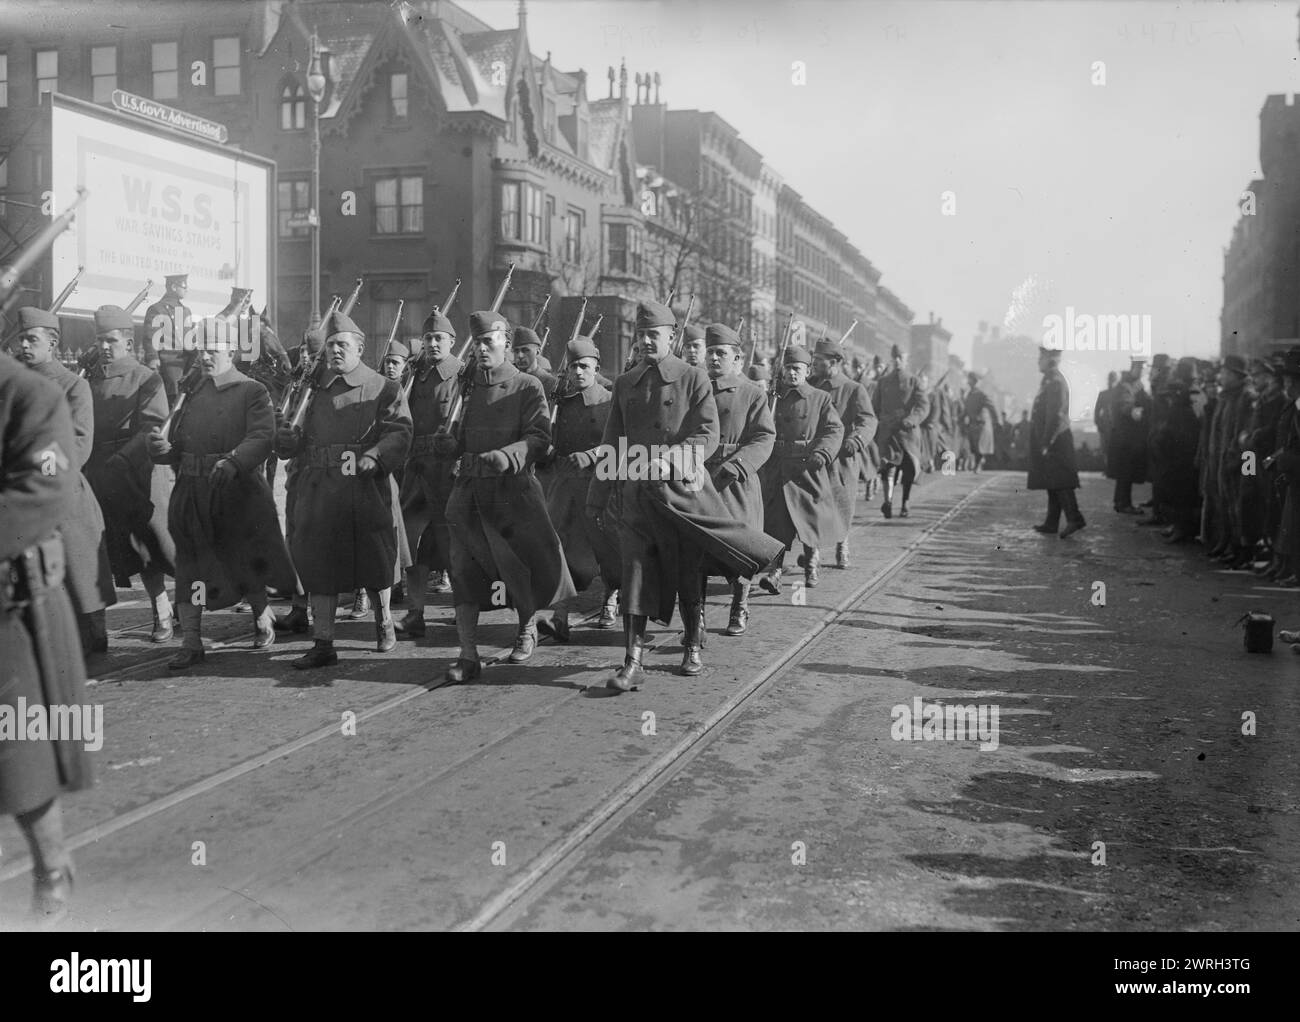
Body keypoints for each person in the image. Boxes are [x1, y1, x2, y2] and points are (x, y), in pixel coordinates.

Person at [588, 300, 783, 690]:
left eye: (653, 335)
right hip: (636, 493)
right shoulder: (627, 383)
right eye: (640, 335)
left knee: (687, 570)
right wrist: (598, 495)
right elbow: (613, 441)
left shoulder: (693, 378)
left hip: (682, 493)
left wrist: (675, 460)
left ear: (672, 337)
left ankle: (692, 643)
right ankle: (633, 660)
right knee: (636, 573)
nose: (645, 341)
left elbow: (707, 432)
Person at [0, 349, 92, 921]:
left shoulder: (30, 395)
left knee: (18, 754)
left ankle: (51, 869)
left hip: (11, 603)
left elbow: (46, 484)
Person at [145, 319, 296, 668]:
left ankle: (261, 616)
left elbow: (261, 437)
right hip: (193, 492)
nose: (205, 357)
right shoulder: (192, 393)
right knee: (192, 568)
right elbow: (178, 445)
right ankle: (193, 642)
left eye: (213, 350)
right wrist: (162, 450)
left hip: (235, 490)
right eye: (202, 350)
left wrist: (233, 461)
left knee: (244, 562)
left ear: (231, 352)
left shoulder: (251, 390)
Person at [436, 311, 575, 680]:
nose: (481, 349)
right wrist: (448, 444)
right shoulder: (466, 388)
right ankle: (467, 654)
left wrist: (508, 455)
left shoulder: (528, 386)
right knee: (464, 570)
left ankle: (526, 628)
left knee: (518, 567)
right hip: (468, 494)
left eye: (488, 342)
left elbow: (541, 438)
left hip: (512, 492)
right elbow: (458, 438)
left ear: (506, 345)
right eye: (477, 343)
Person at [274, 309, 412, 667]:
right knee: (319, 562)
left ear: (360, 348)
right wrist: (286, 439)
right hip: (318, 488)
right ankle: (323, 643)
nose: (335, 351)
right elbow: (293, 438)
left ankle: (383, 622)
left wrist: (377, 456)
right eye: (331, 345)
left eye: (342, 345)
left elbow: (400, 432)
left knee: (374, 557)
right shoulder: (311, 389)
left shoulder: (385, 387)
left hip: (363, 486)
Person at [13, 307, 116, 659]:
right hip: (18, 498)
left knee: (80, 570)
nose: (24, 346)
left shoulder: (74, 386)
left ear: (53, 343)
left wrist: (34, 470)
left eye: (32, 339)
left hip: (62, 495)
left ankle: (93, 635)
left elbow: (78, 443)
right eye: (21, 339)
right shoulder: (11, 388)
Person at [83, 304, 176, 642]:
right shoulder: (90, 379)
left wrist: (124, 459)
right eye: (100, 341)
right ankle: (160, 611)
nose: (104, 347)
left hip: (139, 471)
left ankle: (174, 608)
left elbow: (153, 426)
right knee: (126, 548)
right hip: (101, 471)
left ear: (127, 341)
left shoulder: (145, 377)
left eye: (111, 341)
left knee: (156, 543)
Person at [537, 336, 621, 642]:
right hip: (565, 489)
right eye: (573, 367)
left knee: (607, 551)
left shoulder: (611, 401)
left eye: (585, 366)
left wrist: (591, 455)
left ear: (596, 367)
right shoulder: (563, 405)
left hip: (600, 488)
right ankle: (559, 616)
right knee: (559, 550)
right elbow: (554, 446)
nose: (579, 372)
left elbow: (621, 446)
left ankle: (610, 597)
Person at [701, 323, 775, 635]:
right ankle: (698, 615)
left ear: (737, 358)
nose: (714, 359)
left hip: (735, 482)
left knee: (740, 548)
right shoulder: (696, 387)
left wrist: (737, 465)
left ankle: (740, 605)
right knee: (698, 548)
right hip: (700, 478)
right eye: (710, 353)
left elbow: (763, 437)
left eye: (721, 353)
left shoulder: (751, 393)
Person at [757, 344, 844, 593]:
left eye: (797, 369)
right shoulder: (773, 397)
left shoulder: (820, 398)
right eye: (787, 369)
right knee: (777, 524)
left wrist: (823, 452)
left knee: (808, 521)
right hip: (778, 467)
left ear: (807, 371)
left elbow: (834, 429)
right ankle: (774, 572)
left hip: (808, 468)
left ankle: (811, 565)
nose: (792, 374)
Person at [395, 311, 461, 638]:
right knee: (412, 543)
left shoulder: (462, 374)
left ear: (452, 342)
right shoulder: (415, 375)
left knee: (452, 545)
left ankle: (464, 612)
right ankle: (415, 613)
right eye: (429, 339)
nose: (433, 343)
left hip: (447, 473)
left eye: (439, 339)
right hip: (416, 470)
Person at [810, 335, 877, 568]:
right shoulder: (810, 385)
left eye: (819, 359)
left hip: (842, 459)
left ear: (834, 362)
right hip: (815, 456)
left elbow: (868, 420)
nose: (814, 363)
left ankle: (842, 543)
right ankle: (814, 552)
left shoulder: (853, 389)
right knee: (814, 503)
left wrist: (855, 440)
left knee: (842, 504)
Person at [1029, 346, 1085, 537]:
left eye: (1041, 358)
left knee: (1061, 481)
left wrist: (1046, 441)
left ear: (1050, 360)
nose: (1038, 361)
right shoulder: (1050, 380)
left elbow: (1055, 414)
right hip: (1054, 438)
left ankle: (1075, 518)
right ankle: (1051, 522)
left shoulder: (1055, 381)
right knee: (1053, 480)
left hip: (1056, 439)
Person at [873, 344, 928, 518]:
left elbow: (923, 406)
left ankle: (905, 501)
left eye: (900, 358)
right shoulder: (883, 382)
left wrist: (912, 420)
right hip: (888, 432)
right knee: (887, 466)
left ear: (905, 360)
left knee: (908, 469)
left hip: (907, 433)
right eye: (894, 358)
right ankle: (887, 502)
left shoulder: (914, 381)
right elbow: (874, 406)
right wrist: (879, 423)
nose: (896, 361)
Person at [142, 273, 194, 407]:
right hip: (168, 361)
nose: (186, 289)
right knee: (173, 398)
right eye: (184, 286)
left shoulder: (186, 311)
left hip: (187, 361)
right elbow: (150, 337)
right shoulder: (157, 309)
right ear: (173, 287)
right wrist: (153, 358)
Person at [1108, 359, 1151, 513]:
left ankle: (1120, 502)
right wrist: (1139, 412)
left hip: (1124, 436)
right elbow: (1127, 408)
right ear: (1133, 368)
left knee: (1124, 472)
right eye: (1139, 368)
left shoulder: (1127, 385)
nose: (1141, 372)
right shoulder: (1127, 387)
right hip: (1126, 436)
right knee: (1126, 471)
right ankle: (1124, 504)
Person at [513, 326, 559, 405]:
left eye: (525, 350)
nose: (520, 356)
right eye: (516, 351)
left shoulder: (550, 383)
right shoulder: (508, 378)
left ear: (537, 352)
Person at [963, 371, 998, 473]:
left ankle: (978, 464)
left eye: (970, 379)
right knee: (973, 446)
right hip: (972, 423)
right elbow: (966, 409)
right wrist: (961, 418)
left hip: (981, 423)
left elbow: (991, 407)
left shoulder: (982, 394)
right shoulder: (969, 394)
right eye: (969, 379)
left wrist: (997, 420)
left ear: (975, 381)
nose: (968, 381)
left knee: (980, 445)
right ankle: (979, 462)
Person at [1094, 370, 1119, 476]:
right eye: (1110, 379)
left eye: (1113, 379)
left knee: (1115, 448)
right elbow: (1097, 410)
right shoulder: (1103, 394)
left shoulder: (1119, 393)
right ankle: (1108, 469)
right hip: (1105, 426)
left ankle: (1113, 469)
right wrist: (1099, 424)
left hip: (1117, 426)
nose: (1111, 382)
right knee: (1105, 448)